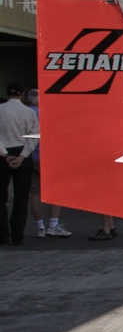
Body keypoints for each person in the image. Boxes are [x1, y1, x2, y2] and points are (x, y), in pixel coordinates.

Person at [24, 89, 71, 238]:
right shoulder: (45, 114)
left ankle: (40, 227)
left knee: (35, 192)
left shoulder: (26, 113)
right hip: (47, 156)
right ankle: (53, 224)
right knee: (55, 190)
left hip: (29, 156)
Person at [0, 83, 39, 245]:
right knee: (21, 198)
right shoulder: (29, 112)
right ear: (23, 94)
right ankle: (18, 235)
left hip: (3, 155)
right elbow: (34, 136)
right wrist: (22, 156)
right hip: (23, 154)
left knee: (1, 198)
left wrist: (6, 155)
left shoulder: (1, 110)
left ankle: (2, 235)